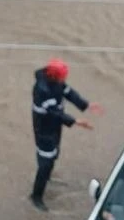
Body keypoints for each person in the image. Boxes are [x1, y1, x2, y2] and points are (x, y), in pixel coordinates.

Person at [30, 58, 103, 211]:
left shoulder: (56, 82)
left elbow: (68, 92)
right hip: (44, 131)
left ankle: (48, 178)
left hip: (54, 127)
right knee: (45, 163)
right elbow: (55, 114)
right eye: (63, 76)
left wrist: (86, 104)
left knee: (55, 154)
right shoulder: (42, 91)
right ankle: (36, 196)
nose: (65, 79)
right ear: (55, 76)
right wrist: (76, 121)